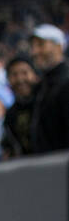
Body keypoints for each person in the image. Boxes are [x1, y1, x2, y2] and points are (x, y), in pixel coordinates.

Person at [28, 24, 69, 154]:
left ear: (59, 47)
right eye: (33, 46)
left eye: (41, 45)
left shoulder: (66, 82)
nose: (34, 52)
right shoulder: (41, 86)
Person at [4, 56, 40, 156]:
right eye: (14, 75)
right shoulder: (10, 114)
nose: (20, 79)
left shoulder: (45, 104)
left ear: (35, 76)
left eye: (24, 73)